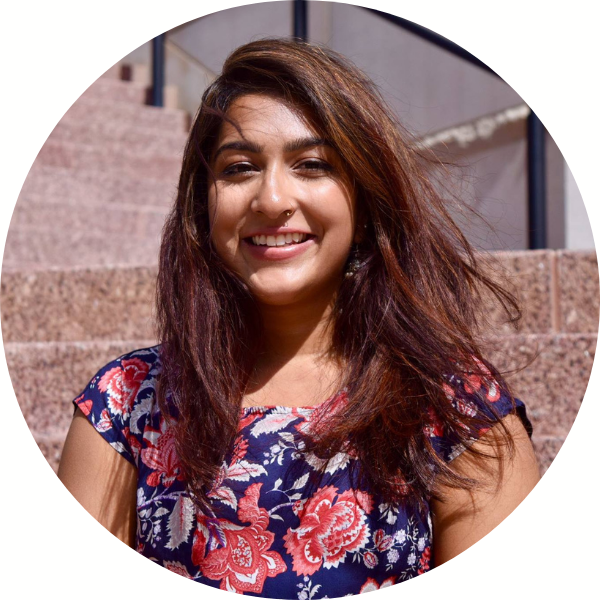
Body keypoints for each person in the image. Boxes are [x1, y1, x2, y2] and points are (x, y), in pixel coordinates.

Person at [58, 38, 540, 597]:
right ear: (202, 206)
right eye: (239, 168)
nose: (271, 198)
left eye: (312, 165)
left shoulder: (454, 408)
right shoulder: (123, 404)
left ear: (365, 206)